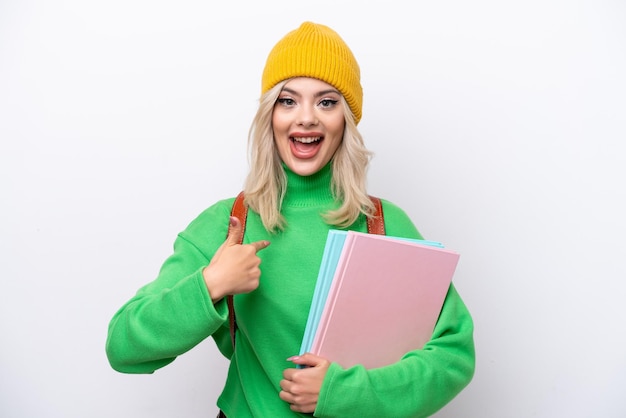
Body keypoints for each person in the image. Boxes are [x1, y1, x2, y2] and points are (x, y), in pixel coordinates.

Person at [106, 21, 475, 417]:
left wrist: (342, 392)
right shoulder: (229, 224)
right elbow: (123, 348)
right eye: (288, 100)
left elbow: (454, 355)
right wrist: (210, 285)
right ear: (270, 115)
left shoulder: (383, 225)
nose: (306, 119)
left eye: (327, 101)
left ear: (346, 120)